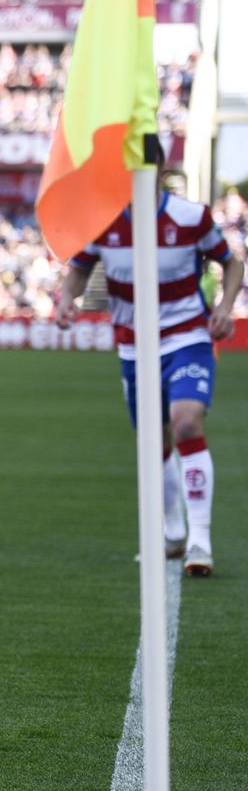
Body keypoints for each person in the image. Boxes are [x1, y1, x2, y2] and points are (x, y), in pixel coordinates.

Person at [56, 180, 243, 577]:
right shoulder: (103, 222)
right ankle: (173, 533)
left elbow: (231, 261)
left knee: (187, 423)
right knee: (153, 441)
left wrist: (226, 307)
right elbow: (79, 269)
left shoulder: (190, 217)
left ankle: (200, 542)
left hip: (188, 336)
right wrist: (66, 299)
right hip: (134, 346)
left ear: (156, 170)